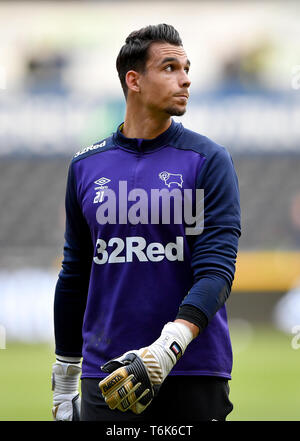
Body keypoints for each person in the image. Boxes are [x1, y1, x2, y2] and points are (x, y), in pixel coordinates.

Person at [52, 23, 241, 422]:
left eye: (187, 67)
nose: (186, 78)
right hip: (106, 377)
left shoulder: (208, 160)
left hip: (191, 370)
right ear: (133, 80)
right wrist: (66, 374)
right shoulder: (86, 165)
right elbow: (75, 275)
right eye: (170, 67)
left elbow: (216, 271)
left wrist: (166, 347)